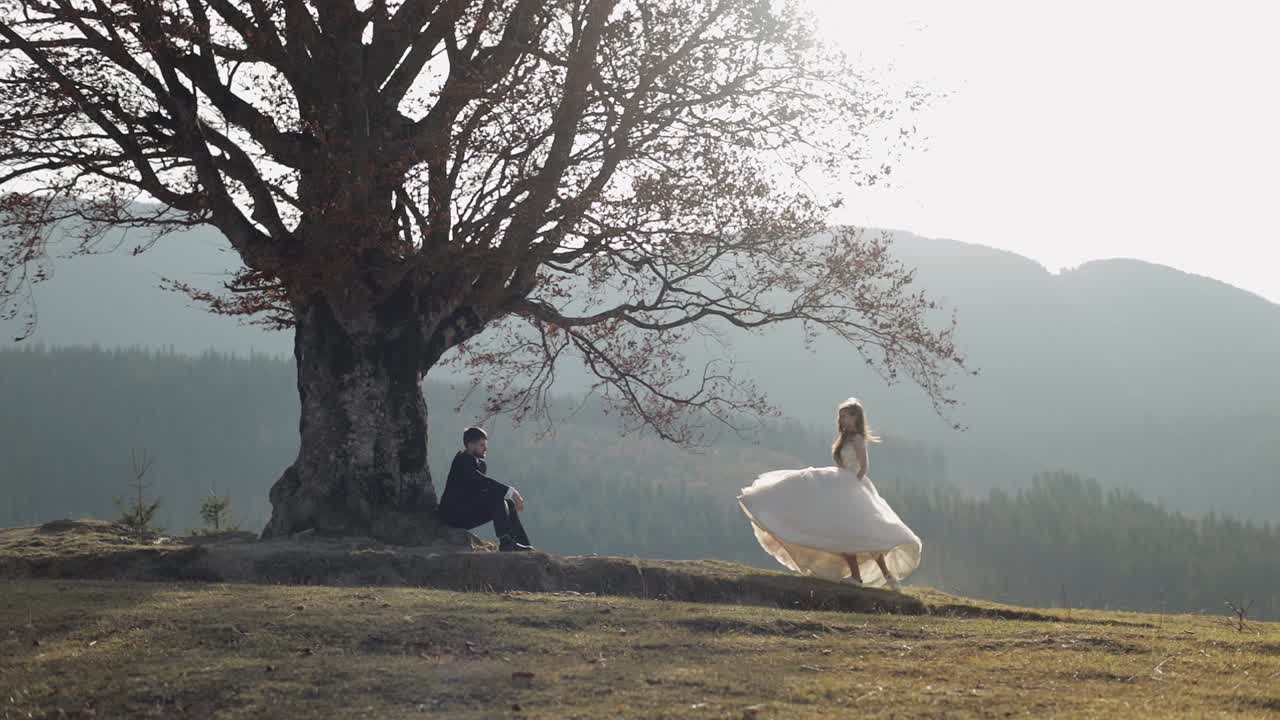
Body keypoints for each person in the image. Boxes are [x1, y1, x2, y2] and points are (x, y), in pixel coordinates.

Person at [737, 398, 920, 588]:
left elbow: (864, 467)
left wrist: (852, 488)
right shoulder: (843, 439)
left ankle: (888, 576)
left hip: (851, 487)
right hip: (841, 484)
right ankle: (858, 577)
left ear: (856, 418)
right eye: (840, 417)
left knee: (864, 536)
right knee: (844, 535)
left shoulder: (857, 439)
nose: (842, 420)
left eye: (846, 416)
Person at [437, 427, 534, 552]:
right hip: (453, 515)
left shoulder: (480, 464)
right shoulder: (461, 462)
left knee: (508, 503)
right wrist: (511, 492)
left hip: (468, 509)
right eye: (482, 445)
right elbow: (482, 482)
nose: (485, 448)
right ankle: (505, 542)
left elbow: (484, 490)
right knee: (498, 498)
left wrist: (507, 496)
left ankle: (521, 544)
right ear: (470, 445)